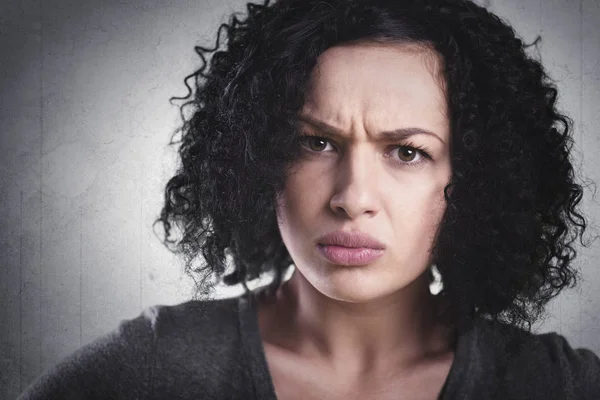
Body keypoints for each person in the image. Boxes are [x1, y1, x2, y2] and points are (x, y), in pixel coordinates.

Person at [18, 0, 600, 399]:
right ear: (259, 159)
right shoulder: (153, 371)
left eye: (406, 152)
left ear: (476, 179)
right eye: (317, 142)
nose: (352, 197)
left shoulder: (552, 385)